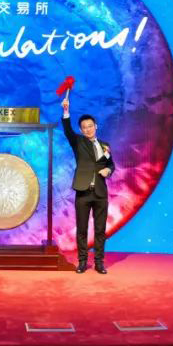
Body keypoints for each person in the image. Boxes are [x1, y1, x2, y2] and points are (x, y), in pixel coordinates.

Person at [61, 98, 115, 274]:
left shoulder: (105, 146)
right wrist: (66, 111)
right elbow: (68, 130)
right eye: (84, 127)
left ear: (95, 126)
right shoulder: (78, 142)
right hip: (83, 192)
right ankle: (82, 262)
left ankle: (99, 262)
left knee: (100, 230)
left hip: (100, 193)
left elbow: (111, 164)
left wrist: (108, 170)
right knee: (82, 229)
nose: (87, 129)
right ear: (81, 130)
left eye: (90, 126)